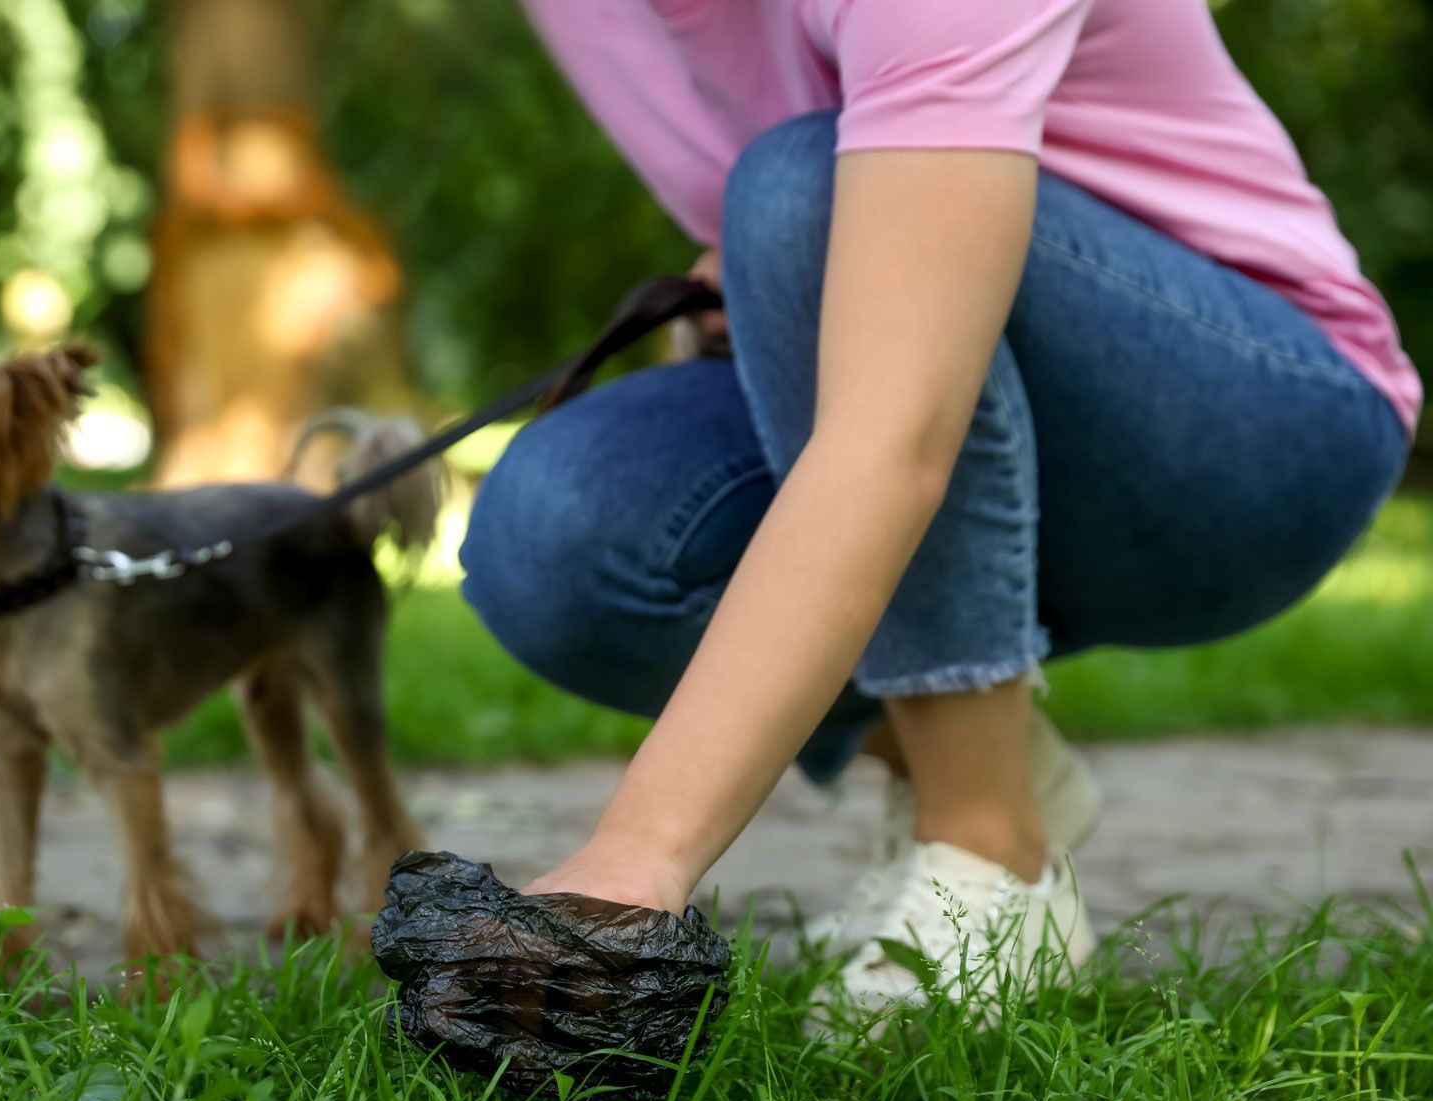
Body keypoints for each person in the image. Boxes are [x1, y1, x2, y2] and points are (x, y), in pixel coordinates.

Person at [457, 0, 1421, 1012]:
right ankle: (991, 761)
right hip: (935, 373)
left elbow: (897, 432)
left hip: (1257, 430)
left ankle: (991, 855)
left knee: (809, 191)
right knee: (559, 538)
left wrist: (633, 860)